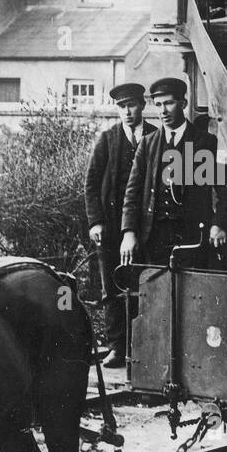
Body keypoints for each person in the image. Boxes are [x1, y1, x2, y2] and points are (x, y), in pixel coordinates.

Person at [120, 77, 227, 269]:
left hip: (193, 236)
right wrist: (129, 232)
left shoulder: (205, 142)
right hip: (154, 237)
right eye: (158, 105)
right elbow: (132, 193)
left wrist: (220, 224)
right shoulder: (148, 144)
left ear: (183, 103)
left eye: (169, 103)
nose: (163, 111)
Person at [85, 82, 157, 367]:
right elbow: (91, 184)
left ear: (142, 106)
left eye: (132, 105)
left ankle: (142, 348)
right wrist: (96, 222)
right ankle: (117, 346)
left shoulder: (155, 136)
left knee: (145, 284)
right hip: (111, 228)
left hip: (147, 227)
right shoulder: (108, 139)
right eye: (122, 107)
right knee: (111, 286)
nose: (127, 112)